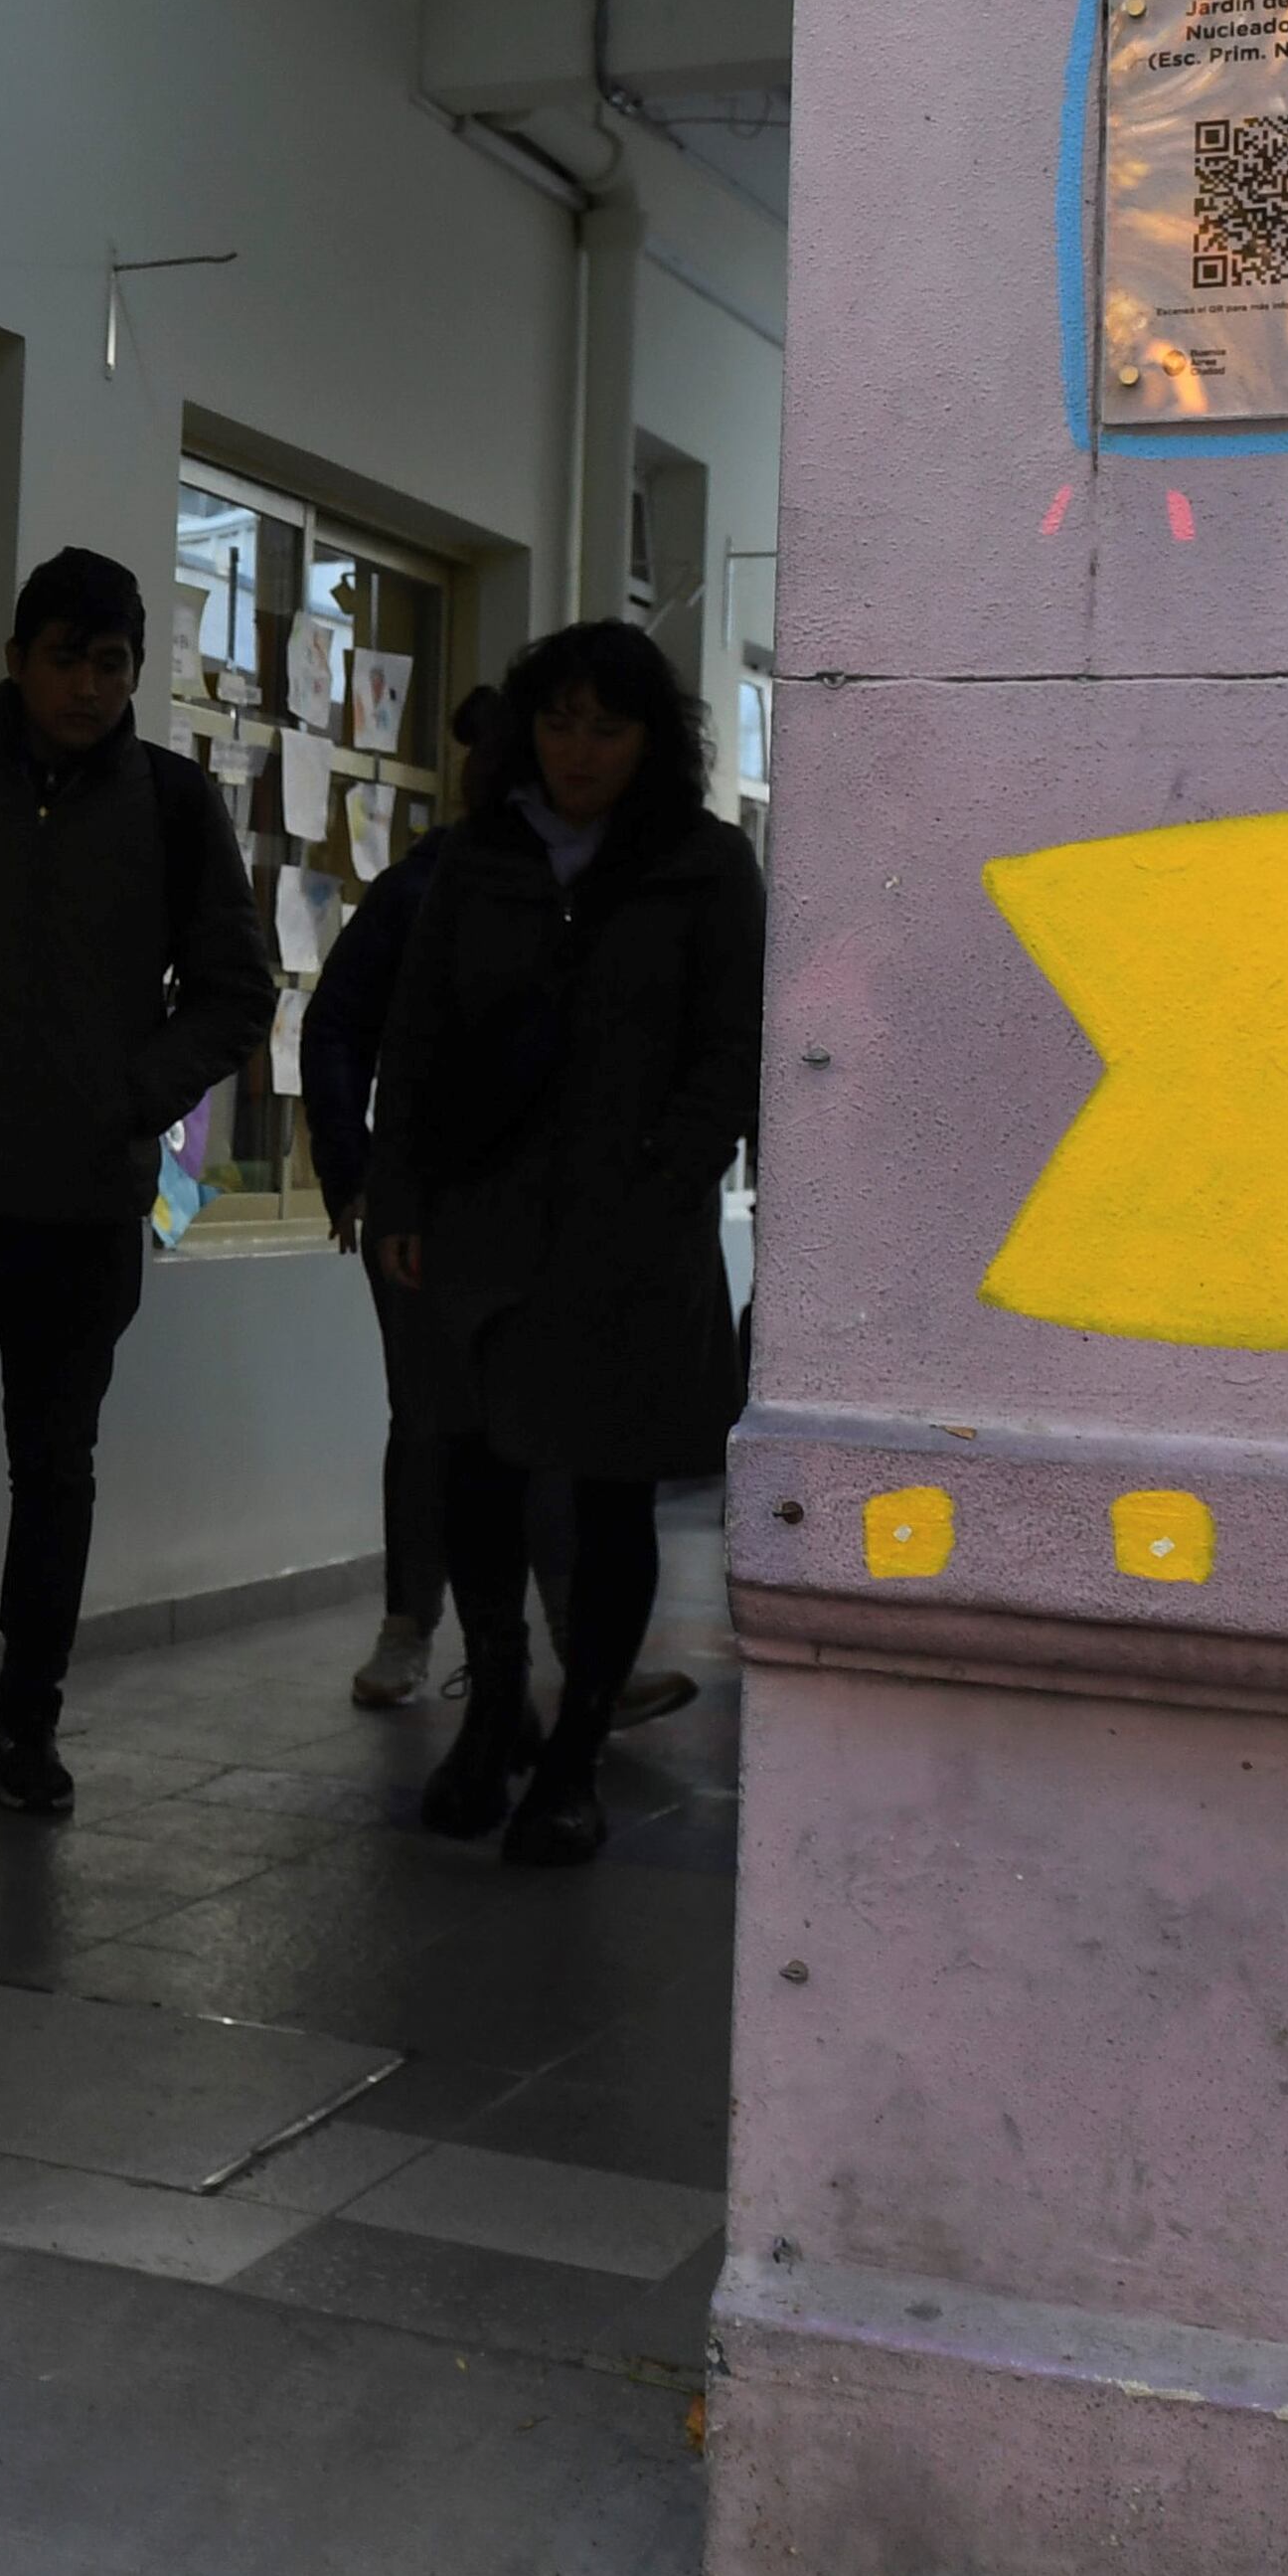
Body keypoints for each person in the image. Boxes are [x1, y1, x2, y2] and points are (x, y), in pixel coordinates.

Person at [365, 620, 761, 1867]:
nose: (577, 751)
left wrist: (664, 1179)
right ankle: (494, 1708)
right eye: (556, 723)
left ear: (651, 740)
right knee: (473, 1472)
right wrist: (398, 1201)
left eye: (606, 727)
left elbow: (730, 1050)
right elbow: (413, 1041)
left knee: (605, 1493)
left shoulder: (703, 866)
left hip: (628, 1234)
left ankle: (576, 1751)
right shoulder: (478, 859)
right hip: (481, 1218)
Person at [0, 547, 270, 1818]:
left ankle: (27, 1731)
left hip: (81, 1208)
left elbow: (236, 991)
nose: (86, 687)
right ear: (16, 660)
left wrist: (130, 1095)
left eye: (111, 664)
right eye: (64, 659)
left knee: (53, 1475)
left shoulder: (171, 804)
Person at [300, 686, 496, 1705]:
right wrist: (354, 1175)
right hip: (420, 1201)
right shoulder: (420, 890)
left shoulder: (589, 891)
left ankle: (544, 1645)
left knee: (537, 1426)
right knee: (426, 1418)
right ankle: (410, 1623)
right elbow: (334, 1025)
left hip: (545, 1207)